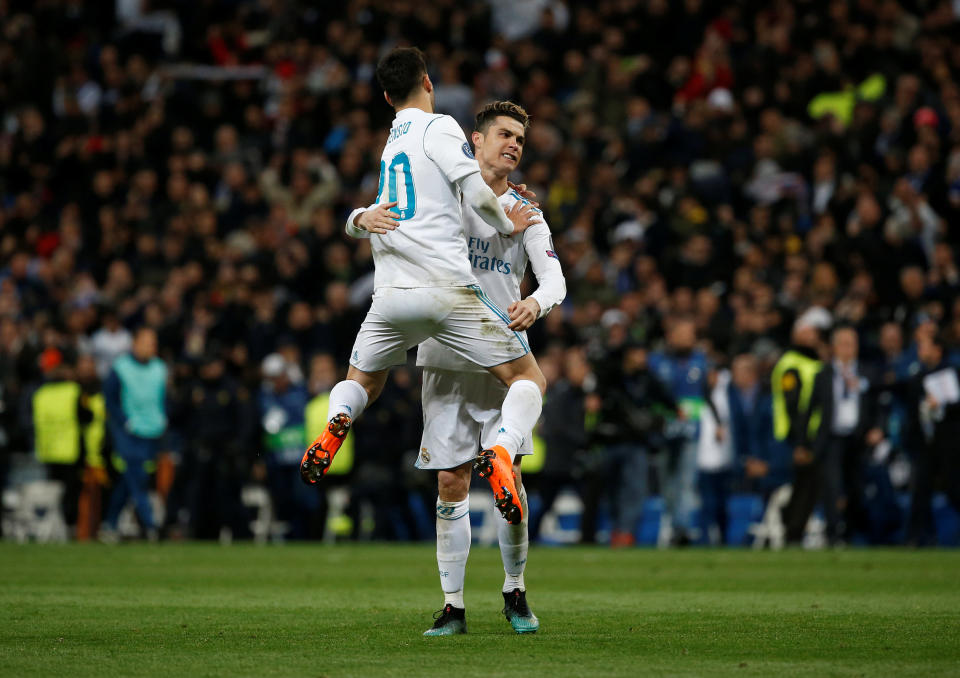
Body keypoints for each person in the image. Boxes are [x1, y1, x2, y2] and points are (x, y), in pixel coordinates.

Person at [300, 48, 546, 536]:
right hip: (447, 291)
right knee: (528, 379)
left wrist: (356, 221)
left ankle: (339, 420)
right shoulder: (442, 128)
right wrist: (507, 219)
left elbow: (374, 211)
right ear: (428, 84)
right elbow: (477, 190)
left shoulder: (391, 144)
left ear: (387, 96)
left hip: (390, 296)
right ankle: (500, 448)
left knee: (363, 382)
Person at [348, 100, 565, 634]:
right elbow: (389, 221)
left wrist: (535, 303)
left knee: (506, 476)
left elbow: (555, 279)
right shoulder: (442, 200)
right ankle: (453, 606)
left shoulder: (528, 212)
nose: (514, 144)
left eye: (520, 137)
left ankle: (515, 592)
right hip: (446, 360)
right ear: (476, 140)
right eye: (504, 135)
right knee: (450, 482)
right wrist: (361, 218)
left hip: (501, 363)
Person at [802, 326, 883, 545]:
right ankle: (833, 533)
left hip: (859, 439)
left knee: (855, 488)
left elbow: (878, 406)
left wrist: (878, 428)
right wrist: (805, 443)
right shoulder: (824, 374)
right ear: (835, 347)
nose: (849, 349)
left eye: (852, 344)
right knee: (833, 486)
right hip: (831, 439)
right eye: (844, 344)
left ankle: (849, 531)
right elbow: (810, 410)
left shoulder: (868, 373)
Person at [100, 327, 168, 541]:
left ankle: (110, 524)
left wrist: (163, 417)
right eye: (147, 342)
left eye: (153, 343)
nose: (151, 347)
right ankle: (150, 525)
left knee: (130, 480)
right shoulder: (121, 368)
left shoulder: (160, 368)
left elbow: (163, 398)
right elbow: (109, 399)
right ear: (135, 344)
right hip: (129, 432)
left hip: (152, 431)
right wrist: (124, 421)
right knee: (136, 476)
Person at [772, 314, 826, 544]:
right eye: (807, 331)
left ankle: (793, 531)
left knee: (808, 485)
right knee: (804, 485)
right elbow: (792, 404)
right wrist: (800, 442)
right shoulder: (791, 364)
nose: (812, 335)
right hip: (796, 436)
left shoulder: (813, 362)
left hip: (814, 435)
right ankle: (791, 531)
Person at [906, 331, 960, 545]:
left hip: (950, 444)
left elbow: (956, 406)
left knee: (955, 490)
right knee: (920, 491)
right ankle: (916, 538)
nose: (920, 350)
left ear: (938, 349)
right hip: (927, 444)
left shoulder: (950, 372)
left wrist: (941, 404)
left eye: (924, 345)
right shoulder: (918, 375)